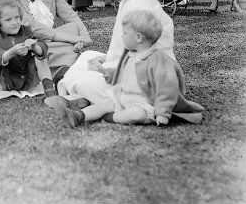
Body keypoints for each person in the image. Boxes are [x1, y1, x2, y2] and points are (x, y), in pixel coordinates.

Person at [53, 0, 175, 110]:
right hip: (129, 61)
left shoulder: (139, 5)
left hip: (146, 75)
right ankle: (84, 98)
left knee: (77, 77)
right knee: (86, 56)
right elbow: (124, 48)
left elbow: (141, 57)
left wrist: (106, 68)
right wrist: (105, 59)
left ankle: (87, 98)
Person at [56, 9, 203, 127]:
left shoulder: (158, 60)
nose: (122, 37)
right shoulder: (131, 54)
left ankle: (112, 117)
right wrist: (105, 72)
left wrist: (163, 113)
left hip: (145, 102)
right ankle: (78, 116)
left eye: (125, 34)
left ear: (138, 37)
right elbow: (123, 73)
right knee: (105, 103)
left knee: (137, 114)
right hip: (124, 96)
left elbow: (167, 89)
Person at [2, 0, 91, 85]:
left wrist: (83, 38)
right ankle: (62, 69)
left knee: (73, 27)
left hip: (50, 40)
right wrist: (72, 39)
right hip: (26, 44)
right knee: (63, 47)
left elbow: (70, 15)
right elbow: (31, 26)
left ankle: (62, 67)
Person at [0, 0, 58, 108]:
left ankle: (49, 90)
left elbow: (43, 46)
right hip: (5, 80)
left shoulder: (26, 31)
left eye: (17, 17)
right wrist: (11, 52)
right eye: (8, 20)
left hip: (28, 78)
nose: (14, 22)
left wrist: (35, 46)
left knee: (40, 57)